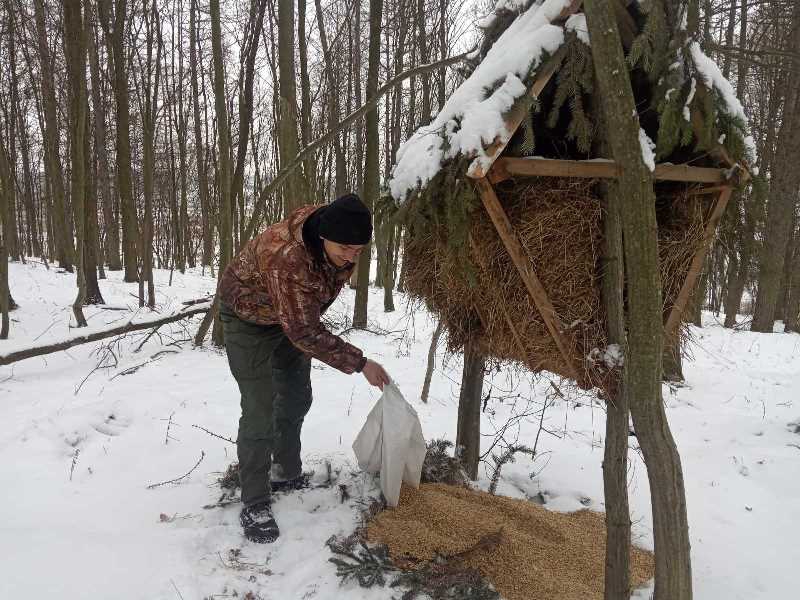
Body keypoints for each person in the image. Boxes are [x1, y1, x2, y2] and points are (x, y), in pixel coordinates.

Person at [218, 193, 391, 543]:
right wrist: (360, 363)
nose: (351, 256)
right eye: (345, 248)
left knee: (296, 396)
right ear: (325, 236)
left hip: (291, 317)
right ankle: (254, 500)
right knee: (259, 407)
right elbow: (303, 331)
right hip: (249, 318)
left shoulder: (333, 239)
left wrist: (343, 258)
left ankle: (285, 470)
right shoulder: (289, 260)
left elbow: (302, 319)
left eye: (359, 250)